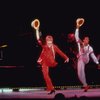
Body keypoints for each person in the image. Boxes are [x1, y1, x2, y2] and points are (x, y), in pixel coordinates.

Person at [31, 19, 69, 94]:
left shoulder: (54, 46)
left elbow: (60, 52)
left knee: (51, 73)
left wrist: (66, 57)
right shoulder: (44, 46)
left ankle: (52, 88)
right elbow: (39, 38)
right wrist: (37, 29)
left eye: (50, 41)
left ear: (52, 41)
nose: (49, 43)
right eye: (48, 41)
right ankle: (52, 89)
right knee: (45, 75)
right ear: (46, 41)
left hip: (51, 62)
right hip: (44, 62)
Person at [75, 18, 100, 92]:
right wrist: (77, 27)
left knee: (84, 51)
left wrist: (97, 63)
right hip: (80, 59)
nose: (87, 40)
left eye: (88, 39)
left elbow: (93, 56)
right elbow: (76, 36)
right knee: (79, 73)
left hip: (86, 59)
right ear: (84, 40)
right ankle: (85, 85)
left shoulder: (90, 47)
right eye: (86, 39)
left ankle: (85, 85)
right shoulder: (80, 43)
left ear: (88, 41)